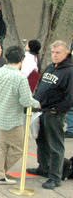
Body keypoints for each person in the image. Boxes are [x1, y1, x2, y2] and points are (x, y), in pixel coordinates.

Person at [0, 46, 40, 185]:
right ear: (21, 60)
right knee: (19, 148)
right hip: (12, 119)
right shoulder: (20, 78)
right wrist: (37, 103)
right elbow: (25, 100)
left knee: (2, 146)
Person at [27, 41, 73, 189]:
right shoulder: (50, 67)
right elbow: (40, 84)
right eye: (53, 52)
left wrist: (58, 109)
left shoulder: (69, 71)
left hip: (55, 113)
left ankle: (55, 176)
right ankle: (43, 167)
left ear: (66, 53)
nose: (54, 55)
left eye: (58, 53)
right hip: (41, 110)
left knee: (55, 146)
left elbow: (70, 96)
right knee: (41, 142)